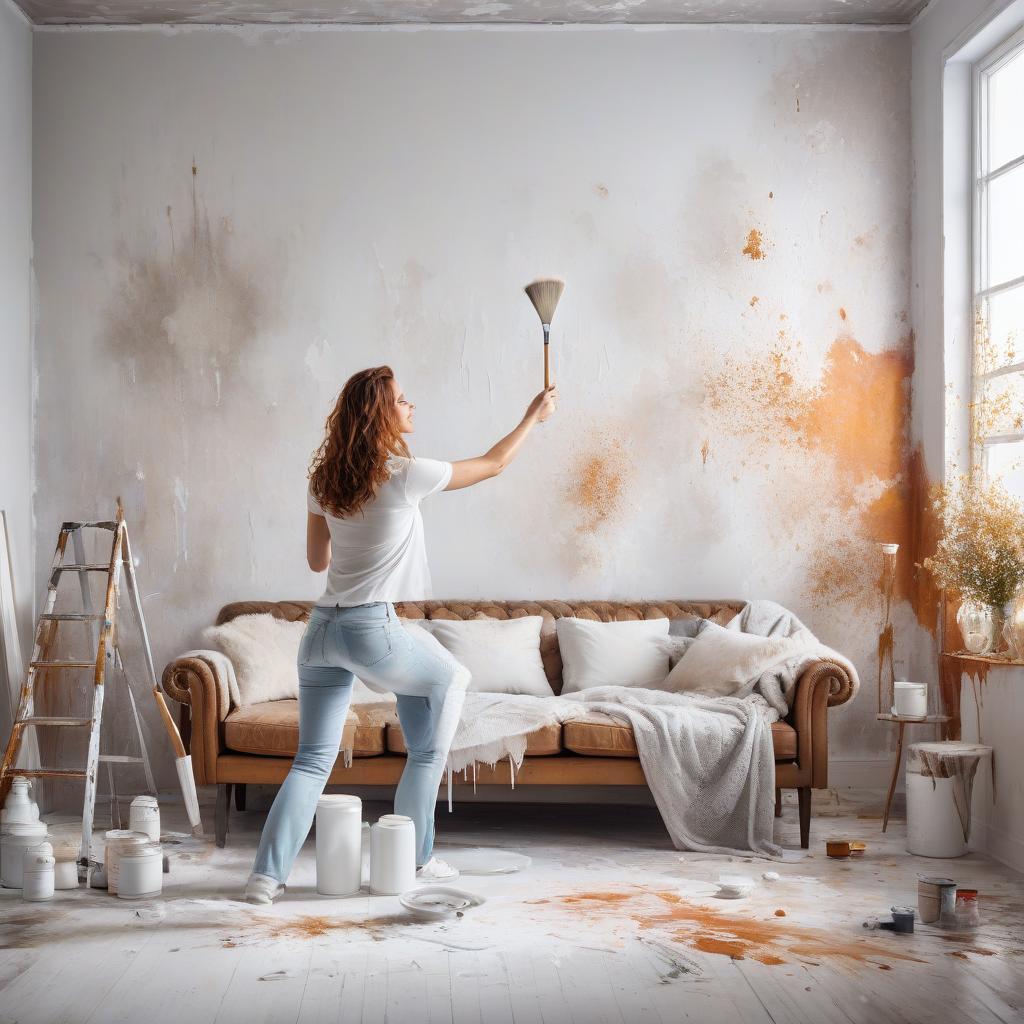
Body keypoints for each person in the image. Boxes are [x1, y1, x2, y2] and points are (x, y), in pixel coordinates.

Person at [245, 366, 558, 903]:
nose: (412, 407)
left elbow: (317, 560)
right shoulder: (403, 474)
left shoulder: (324, 482)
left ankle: (263, 880)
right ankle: (415, 857)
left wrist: (352, 532)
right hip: (371, 627)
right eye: (403, 400)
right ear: (380, 414)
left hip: (320, 631)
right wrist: (533, 416)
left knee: (312, 761)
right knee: (450, 681)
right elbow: (494, 464)